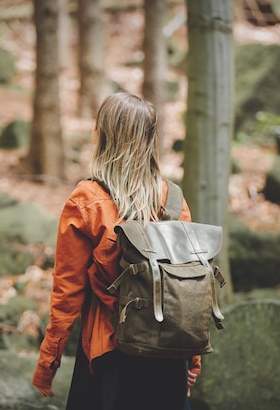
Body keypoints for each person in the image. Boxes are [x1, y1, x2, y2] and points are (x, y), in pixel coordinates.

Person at [31, 92, 201, 410]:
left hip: (111, 352)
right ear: (149, 139)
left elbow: (66, 293)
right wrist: (190, 360)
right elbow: (187, 289)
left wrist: (47, 364)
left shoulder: (86, 200)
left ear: (103, 134)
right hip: (168, 355)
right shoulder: (173, 199)